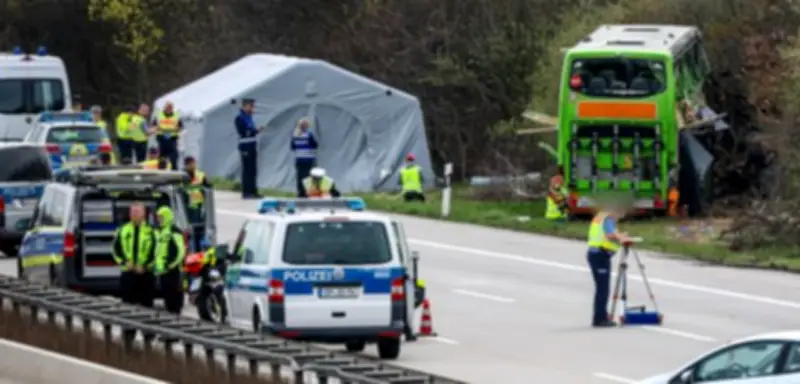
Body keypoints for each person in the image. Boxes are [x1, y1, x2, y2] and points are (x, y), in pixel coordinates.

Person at [586, 201, 634, 328]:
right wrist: (621, 239)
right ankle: (600, 318)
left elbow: (609, 233)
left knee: (601, 288)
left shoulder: (601, 216)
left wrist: (620, 235)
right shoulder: (609, 218)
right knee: (603, 288)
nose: (620, 216)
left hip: (597, 254)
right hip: (599, 255)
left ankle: (601, 315)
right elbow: (609, 235)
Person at [112, 203, 156, 309]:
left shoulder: (151, 231)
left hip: (145, 273)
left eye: (137, 212)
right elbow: (116, 250)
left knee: (146, 307)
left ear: (143, 213)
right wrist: (124, 262)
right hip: (128, 272)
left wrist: (145, 266)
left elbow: (156, 251)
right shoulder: (122, 230)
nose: (134, 215)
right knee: (127, 306)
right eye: (132, 212)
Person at [154, 206, 186, 315]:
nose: (159, 219)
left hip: (173, 271)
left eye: (161, 217)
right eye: (158, 217)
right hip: (162, 271)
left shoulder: (174, 231)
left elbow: (180, 251)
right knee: (167, 298)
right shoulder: (159, 231)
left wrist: (171, 265)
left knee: (175, 299)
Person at [234, 99, 263, 199]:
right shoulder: (240, 118)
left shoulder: (249, 117)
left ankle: (253, 191)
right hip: (245, 146)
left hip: (252, 145)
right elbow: (243, 132)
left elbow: (251, 131)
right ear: (245, 106)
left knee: (253, 169)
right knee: (247, 170)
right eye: (251, 106)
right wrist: (255, 131)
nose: (252, 109)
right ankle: (246, 192)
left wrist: (255, 131)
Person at [184, 156, 210, 250]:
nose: (193, 166)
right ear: (186, 166)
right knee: (188, 232)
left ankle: (198, 249)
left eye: (193, 164)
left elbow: (208, 187)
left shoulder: (200, 175)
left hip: (198, 207)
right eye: (190, 164)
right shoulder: (181, 176)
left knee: (199, 230)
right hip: (186, 207)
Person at [150, 101, 182, 170]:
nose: (169, 109)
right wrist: (157, 129)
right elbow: (153, 127)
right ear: (164, 107)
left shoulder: (176, 115)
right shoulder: (159, 115)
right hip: (162, 140)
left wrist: (172, 130)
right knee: (161, 160)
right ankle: (161, 172)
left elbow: (180, 128)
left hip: (172, 140)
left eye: (171, 107)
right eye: (168, 107)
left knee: (174, 159)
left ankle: (174, 173)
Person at [290, 118, 318, 196]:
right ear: (306, 126)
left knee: (299, 176)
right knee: (307, 176)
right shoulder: (308, 134)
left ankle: (300, 192)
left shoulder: (295, 134)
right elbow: (315, 145)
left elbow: (292, 147)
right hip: (308, 158)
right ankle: (307, 192)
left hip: (299, 158)